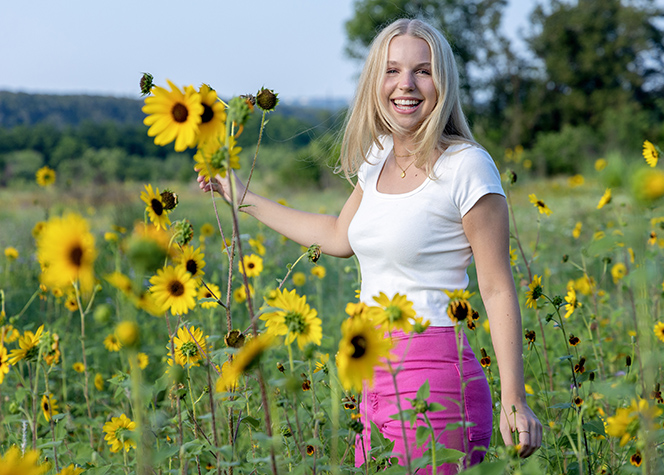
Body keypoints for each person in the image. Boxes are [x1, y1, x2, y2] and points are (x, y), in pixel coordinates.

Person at [198, 17, 541, 474]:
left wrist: (514, 399)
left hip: (436, 370)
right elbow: (338, 236)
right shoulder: (377, 157)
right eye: (392, 70)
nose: (407, 84)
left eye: (423, 70)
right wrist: (243, 197)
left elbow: (497, 288)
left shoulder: (468, 166)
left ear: (443, 82)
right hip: (370, 370)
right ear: (375, 82)